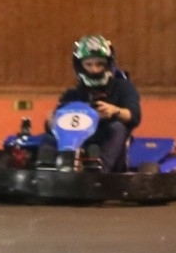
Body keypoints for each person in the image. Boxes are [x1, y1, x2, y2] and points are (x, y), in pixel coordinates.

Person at [57, 34, 142, 173]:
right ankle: (49, 166)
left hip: (108, 143)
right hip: (78, 141)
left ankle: (100, 171)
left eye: (99, 64)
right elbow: (56, 123)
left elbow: (134, 115)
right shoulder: (72, 94)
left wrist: (115, 111)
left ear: (108, 64)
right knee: (48, 137)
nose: (94, 70)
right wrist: (51, 120)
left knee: (118, 127)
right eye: (89, 65)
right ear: (80, 66)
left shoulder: (122, 87)